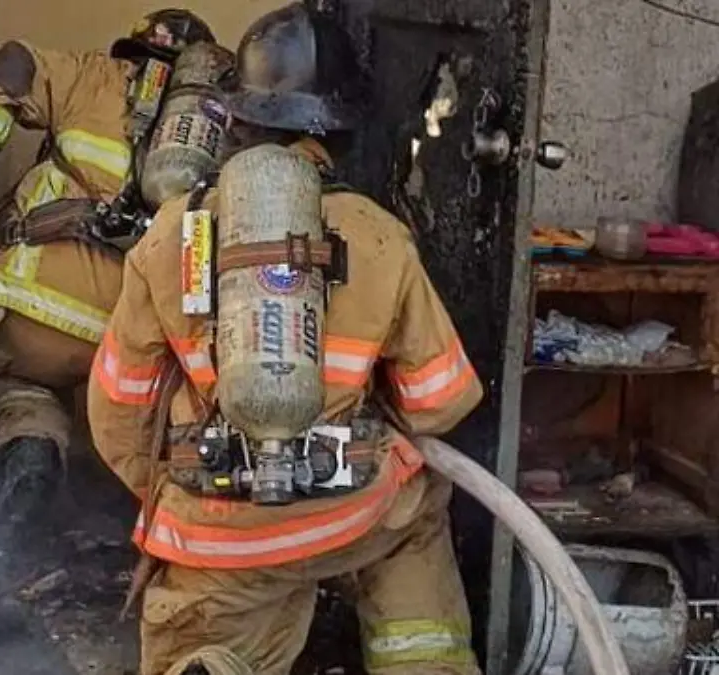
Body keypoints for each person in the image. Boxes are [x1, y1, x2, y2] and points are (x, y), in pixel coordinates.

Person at [86, 4, 485, 674]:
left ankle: (209, 658)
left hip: (218, 538)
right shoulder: (379, 235)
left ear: (238, 120)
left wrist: (180, 490)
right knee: (417, 514)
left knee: (201, 647)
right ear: (344, 130)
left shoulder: (175, 233)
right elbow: (439, 401)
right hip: (351, 517)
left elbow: (117, 409)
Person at [0, 10, 216, 522]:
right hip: (125, 343)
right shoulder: (217, 138)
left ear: (135, 52)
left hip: (28, 310)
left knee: (19, 382)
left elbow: (14, 64)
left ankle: (29, 440)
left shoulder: (96, 77)